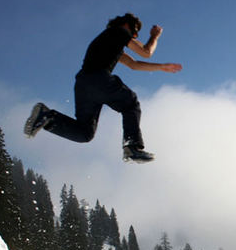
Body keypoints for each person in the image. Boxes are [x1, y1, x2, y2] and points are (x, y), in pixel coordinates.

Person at [24, 13, 182, 163]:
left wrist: (161, 67)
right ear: (127, 25)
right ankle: (131, 147)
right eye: (134, 34)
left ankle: (47, 116)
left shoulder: (109, 42)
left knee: (84, 133)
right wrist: (154, 36)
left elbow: (134, 65)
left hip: (84, 84)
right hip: (98, 78)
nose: (134, 38)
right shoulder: (118, 31)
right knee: (130, 103)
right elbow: (146, 53)